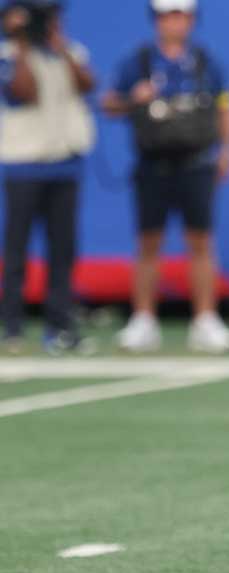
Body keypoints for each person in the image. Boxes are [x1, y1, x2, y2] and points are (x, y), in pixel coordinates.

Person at [101, 0, 229, 353]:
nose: (173, 22)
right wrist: (134, 98)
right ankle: (143, 320)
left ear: (191, 19)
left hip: (196, 163)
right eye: (166, 15)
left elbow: (227, 106)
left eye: (180, 15)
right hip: (153, 164)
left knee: (201, 241)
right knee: (148, 243)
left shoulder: (205, 62)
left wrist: (227, 151)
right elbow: (109, 103)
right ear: (156, 20)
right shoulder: (139, 61)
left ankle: (205, 319)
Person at [0, 0, 94, 354]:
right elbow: (24, 92)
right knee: (17, 249)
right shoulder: (8, 54)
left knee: (63, 249)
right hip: (24, 163)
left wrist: (61, 48)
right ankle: (12, 325)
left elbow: (88, 84)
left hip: (65, 162)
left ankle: (61, 325)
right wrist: (23, 44)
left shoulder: (69, 52)